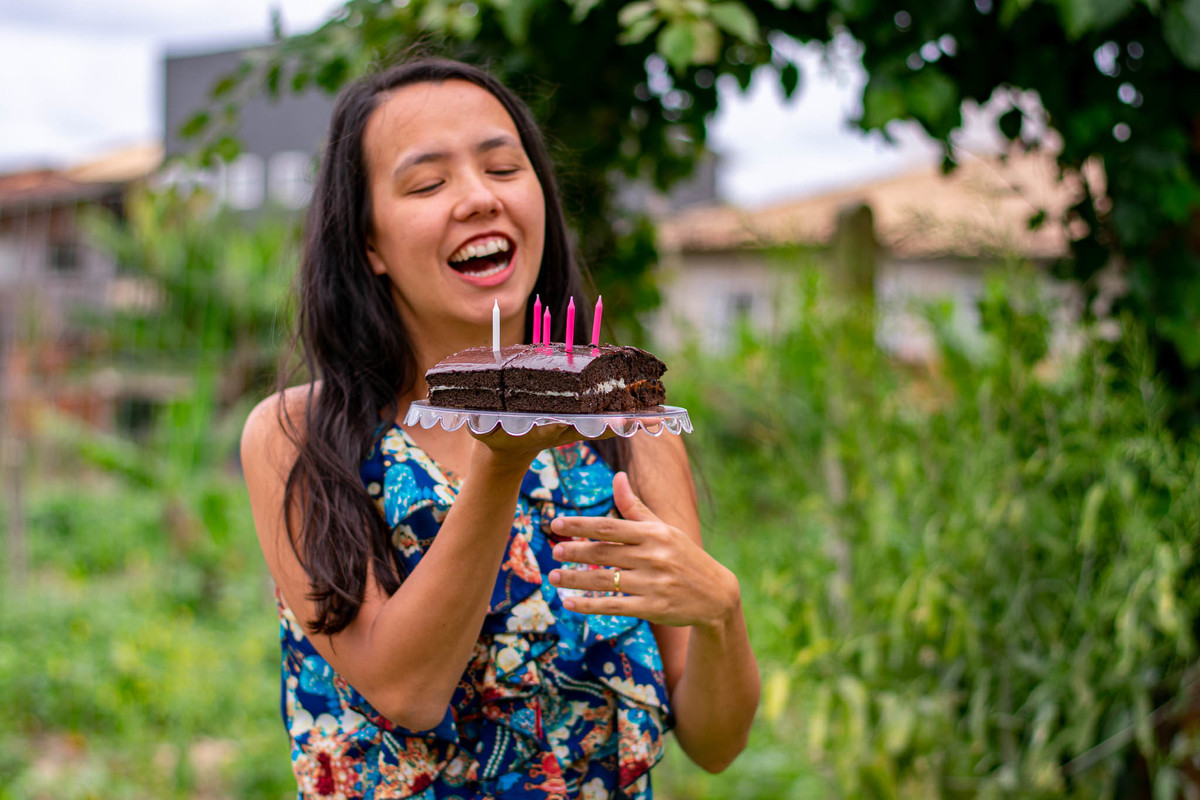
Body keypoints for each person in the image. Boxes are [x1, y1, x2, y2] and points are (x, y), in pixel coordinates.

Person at [241, 58, 759, 799]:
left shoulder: (627, 429)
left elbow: (715, 741)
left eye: (503, 168)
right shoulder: (300, 437)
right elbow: (407, 690)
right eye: (427, 183)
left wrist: (719, 614)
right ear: (370, 246)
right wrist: (502, 460)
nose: (479, 198)